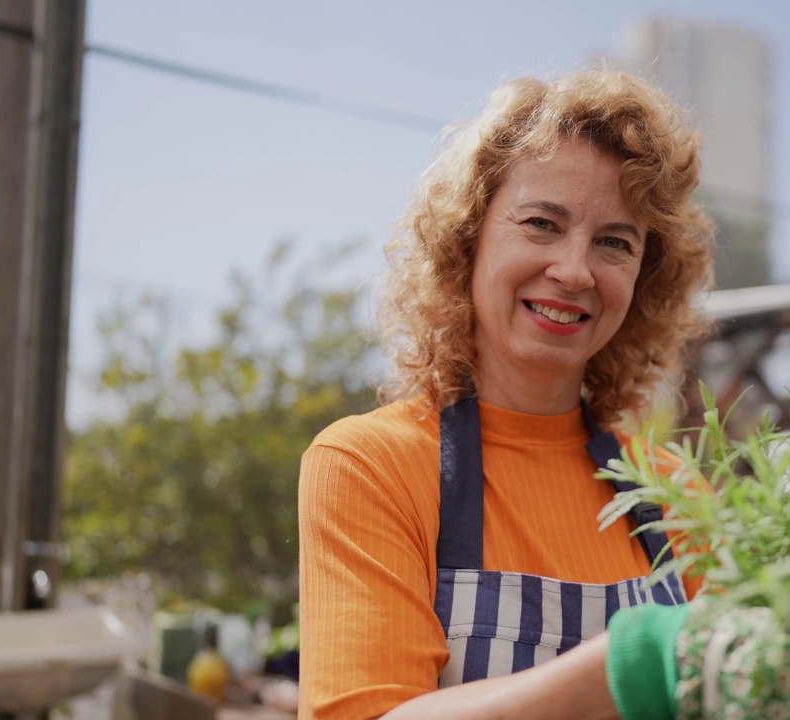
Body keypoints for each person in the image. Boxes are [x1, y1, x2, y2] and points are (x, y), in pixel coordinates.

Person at [298, 68, 716, 720]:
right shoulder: (372, 466)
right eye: (542, 223)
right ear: (469, 238)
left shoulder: (675, 493)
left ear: (644, 279)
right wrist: (622, 667)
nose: (575, 271)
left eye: (614, 243)